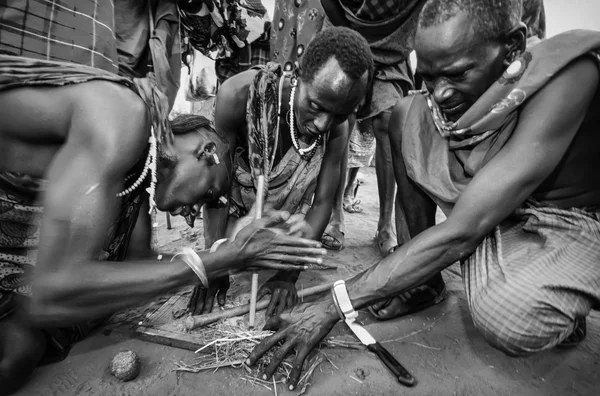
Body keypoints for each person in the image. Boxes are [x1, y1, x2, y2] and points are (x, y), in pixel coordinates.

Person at [246, 0, 600, 390]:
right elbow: (425, 117)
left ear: (513, 48)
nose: (441, 94)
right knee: (404, 115)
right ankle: (425, 281)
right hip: (488, 204)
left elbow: (465, 229)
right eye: (428, 77)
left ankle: (562, 294)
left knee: (508, 316)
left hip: (556, 220)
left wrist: (334, 304)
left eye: (457, 74)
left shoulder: (568, 76)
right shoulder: (446, 96)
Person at [0, 1, 326, 393]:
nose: (191, 215)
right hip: (34, 283)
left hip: (21, 282)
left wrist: (220, 257)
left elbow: (140, 264)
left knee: (20, 352)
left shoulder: (135, 181)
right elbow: (52, 294)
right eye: (209, 194)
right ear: (207, 151)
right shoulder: (122, 116)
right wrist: (220, 258)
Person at [185, 27, 373, 318]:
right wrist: (215, 261)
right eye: (316, 106)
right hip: (237, 217)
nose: (324, 124)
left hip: (290, 225)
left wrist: (289, 275)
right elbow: (217, 189)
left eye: (339, 114)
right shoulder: (238, 95)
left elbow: (322, 203)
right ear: (299, 74)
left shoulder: (338, 127)